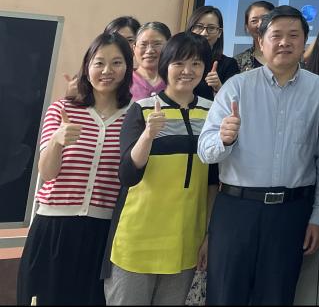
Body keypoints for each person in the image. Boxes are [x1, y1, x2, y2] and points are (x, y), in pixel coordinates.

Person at [198, 5, 319, 305]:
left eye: (293, 35)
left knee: (277, 296)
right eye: (276, 35)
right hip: (237, 210)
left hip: (291, 213)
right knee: (224, 296)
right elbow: (205, 151)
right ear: (261, 42)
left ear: (304, 42)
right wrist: (224, 139)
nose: (285, 42)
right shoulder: (237, 87)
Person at [17, 33, 133, 306]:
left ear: (128, 68)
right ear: (87, 67)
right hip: (54, 227)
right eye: (99, 62)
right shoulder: (62, 109)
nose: (107, 70)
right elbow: (47, 173)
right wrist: (57, 140)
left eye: (116, 62)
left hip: (103, 232)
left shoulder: (133, 115)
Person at [103, 33, 218, 305]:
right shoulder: (142, 109)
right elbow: (127, 174)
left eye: (196, 63)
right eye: (179, 63)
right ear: (166, 65)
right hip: (137, 238)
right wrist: (147, 135)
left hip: (184, 240)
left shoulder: (212, 113)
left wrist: (208, 234)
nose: (187, 71)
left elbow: (212, 181)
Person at [186, 6, 241, 99]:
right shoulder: (177, 59)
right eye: (199, 27)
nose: (204, 33)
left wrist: (218, 87)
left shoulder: (229, 64)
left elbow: (235, 102)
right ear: (190, 29)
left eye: (211, 28)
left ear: (219, 33)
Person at [129, 21, 171, 102]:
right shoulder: (124, 80)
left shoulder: (175, 80)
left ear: (169, 47)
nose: (149, 50)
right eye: (143, 44)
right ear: (134, 49)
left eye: (157, 44)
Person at [234, 0, 274, 72]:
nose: (260, 25)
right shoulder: (237, 62)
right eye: (254, 21)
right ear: (247, 27)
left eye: (265, 19)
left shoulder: (289, 56)